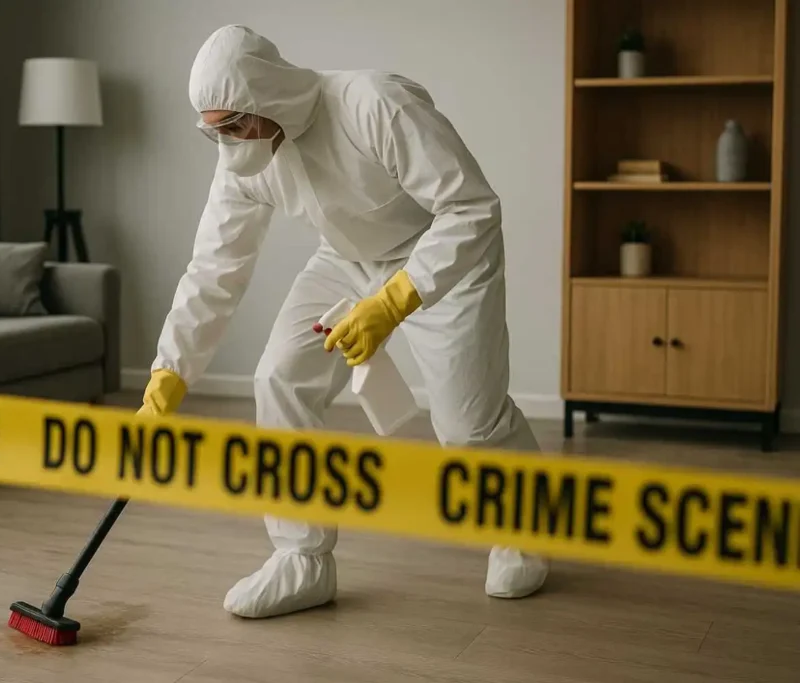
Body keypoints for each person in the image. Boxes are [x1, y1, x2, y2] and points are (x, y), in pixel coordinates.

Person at [137, 24, 549, 619]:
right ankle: (302, 558)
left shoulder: (374, 104)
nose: (228, 142)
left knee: (466, 425)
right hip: (347, 258)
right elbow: (214, 268)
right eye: (214, 130)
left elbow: (472, 207)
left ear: (268, 96)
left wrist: (396, 301)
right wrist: (170, 369)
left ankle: (527, 525)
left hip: (444, 251)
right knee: (278, 377)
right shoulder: (243, 163)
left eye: (234, 125)